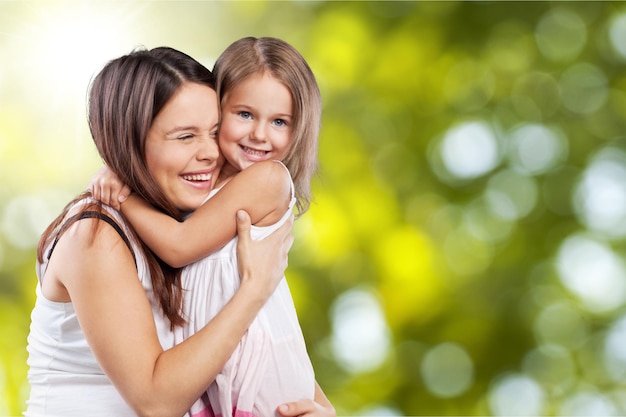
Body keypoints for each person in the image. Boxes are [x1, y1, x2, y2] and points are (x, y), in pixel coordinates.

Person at [26, 46, 331, 417]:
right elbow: (155, 402)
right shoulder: (97, 235)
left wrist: (321, 407)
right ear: (130, 142)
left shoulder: (193, 223)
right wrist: (254, 288)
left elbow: (260, 338)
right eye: (186, 137)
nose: (210, 153)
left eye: (214, 132)